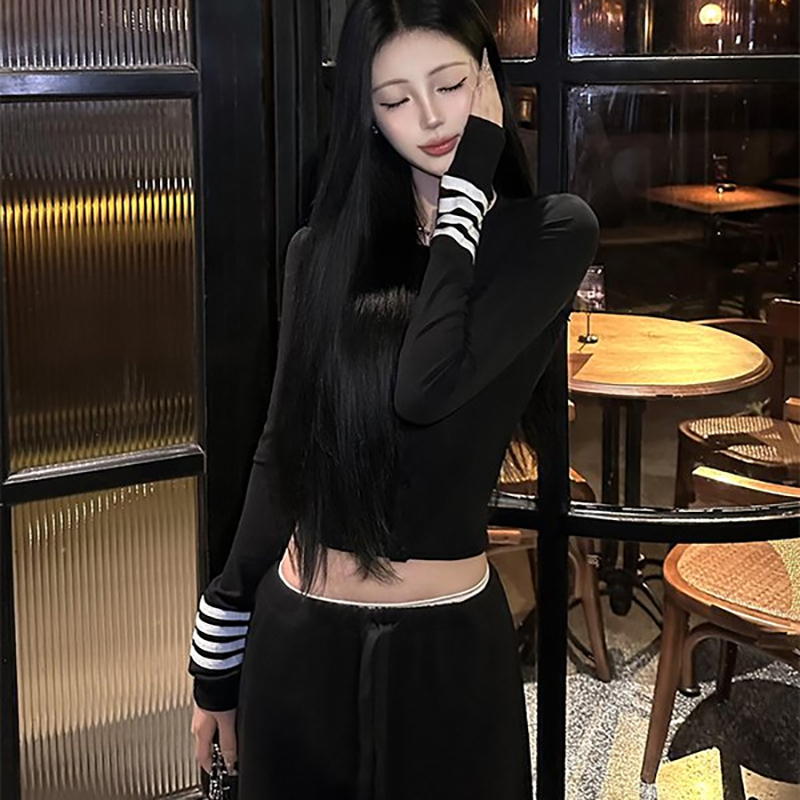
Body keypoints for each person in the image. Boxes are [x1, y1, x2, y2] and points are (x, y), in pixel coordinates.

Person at [188, 1, 599, 797]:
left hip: (447, 651)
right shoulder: (320, 252)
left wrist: (466, 193)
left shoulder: (551, 234)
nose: (430, 118)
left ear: (490, 81)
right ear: (368, 115)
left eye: (449, 84)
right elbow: (282, 450)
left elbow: (425, 385)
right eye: (394, 98)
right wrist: (218, 645)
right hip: (297, 640)